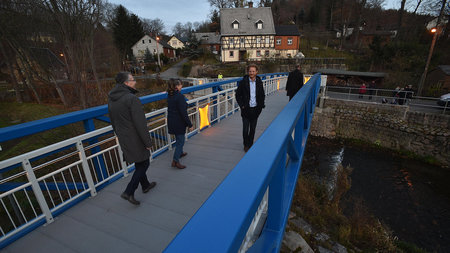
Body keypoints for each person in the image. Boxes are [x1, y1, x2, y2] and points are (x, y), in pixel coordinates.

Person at [108, 72, 156, 205]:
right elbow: (140, 124)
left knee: (139, 162)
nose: (135, 82)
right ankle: (129, 191)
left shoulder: (111, 98)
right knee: (144, 162)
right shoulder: (131, 99)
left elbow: (113, 121)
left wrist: (120, 134)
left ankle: (145, 185)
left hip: (124, 137)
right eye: (133, 80)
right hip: (135, 137)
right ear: (126, 83)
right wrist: (148, 142)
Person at [236, 64, 265, 152]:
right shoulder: (243, 82)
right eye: (250, 71)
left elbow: (262, 95)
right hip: (246, 110)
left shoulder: (259, 82)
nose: (251, 73)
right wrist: (242, 106)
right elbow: (238, 95)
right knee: (245, 130)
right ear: (248, 72)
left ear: (256, 72)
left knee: (252, 129)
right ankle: (246, 144)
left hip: (255, 109)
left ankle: (250, 144)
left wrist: (260, 106)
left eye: (253, 71)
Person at [167, 78, 193, 169]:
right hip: (178, 122)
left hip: (172, 121)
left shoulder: (170, 95)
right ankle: (175, 161)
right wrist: (190, 124)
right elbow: (183, 113)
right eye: (181, 85)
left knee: (178, 139)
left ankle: (180, 153)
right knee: (180, 141)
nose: (182, 86)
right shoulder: (179, 96)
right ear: (177, 86)